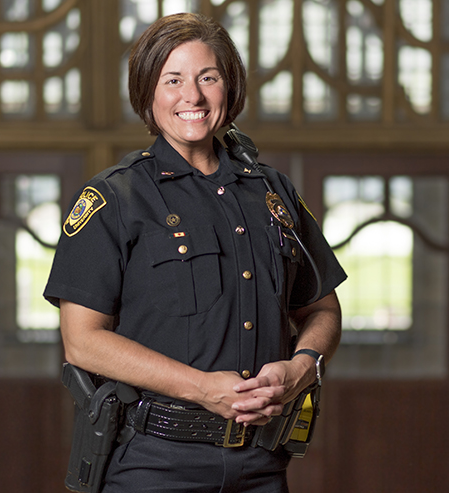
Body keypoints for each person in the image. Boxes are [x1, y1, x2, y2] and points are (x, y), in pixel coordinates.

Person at [44, 12, 346, 493]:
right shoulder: (114, 199)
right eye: (173, 80)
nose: (193, 96)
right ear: (148, 93)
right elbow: (82, 341)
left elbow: (322, 309)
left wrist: (302, 367)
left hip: (263, 464)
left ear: (230, 87)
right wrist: (203, 389)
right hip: (154, 465)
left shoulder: (273, 191)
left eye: (208, 77)